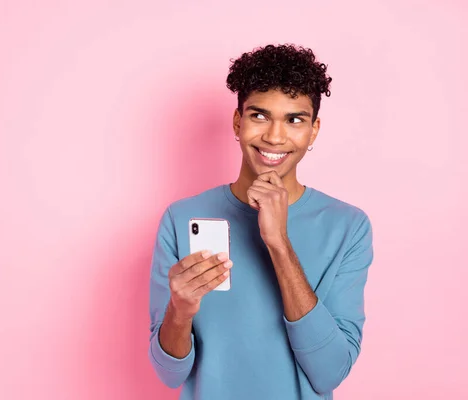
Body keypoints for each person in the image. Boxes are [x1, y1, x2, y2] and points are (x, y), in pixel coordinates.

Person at [147, 43, 374, 400]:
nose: (274, 136)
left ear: (313, 130)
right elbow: (169, 374)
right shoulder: (180, 218)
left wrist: (279, 244)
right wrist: (180, 311)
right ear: (238, 122)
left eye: (294, 119)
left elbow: (330, 371)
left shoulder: (349, 227)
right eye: (259, 115)